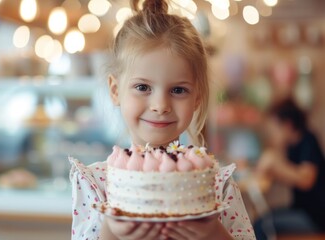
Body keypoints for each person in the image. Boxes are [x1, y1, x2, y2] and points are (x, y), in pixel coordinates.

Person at [69, 0, 255, 239]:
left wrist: (212, 233)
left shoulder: (218, 185)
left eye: (178, 90)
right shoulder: (96, 184)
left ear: (197, 97)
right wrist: (112, 231)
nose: (160, 106)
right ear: (115, 90)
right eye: (143, 87)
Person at [254, 99, 325, 239]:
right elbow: (287, 171)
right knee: (264, 217)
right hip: (303, 211)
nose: (271, 134)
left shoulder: (307, 140)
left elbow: (306, 180)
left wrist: (274, 164)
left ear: (287, 125)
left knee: (262, 224)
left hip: (315, 217)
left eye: (274, 129)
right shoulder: (292, 145)